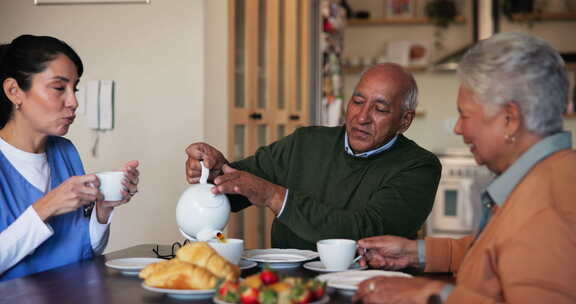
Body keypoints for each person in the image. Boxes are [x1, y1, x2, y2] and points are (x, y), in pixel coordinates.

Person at [355, 32, 576, 304]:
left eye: (465, 114)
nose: (459, 128)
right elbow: (500, 252)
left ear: (510, 119)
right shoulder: (549, 176)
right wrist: (416, 253)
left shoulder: (548, 206)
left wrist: (434, 295)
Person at [185, 63, 441, 250]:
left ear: (405, 120)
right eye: (357, 101)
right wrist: (213, 172)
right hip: (285, 287)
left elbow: (364, 232)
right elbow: (239, 187)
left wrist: (275, 196)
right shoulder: (306, 142)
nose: (362, 117)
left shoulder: (419, 167)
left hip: (366, 290)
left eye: (380, 109)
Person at [0, 35, 140, 281]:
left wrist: (102, 210)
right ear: (14, 91)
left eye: (74, 89)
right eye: (58, 88)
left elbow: (86, 251)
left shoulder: (65, 151)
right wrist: (46, 206)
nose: (74, 102)